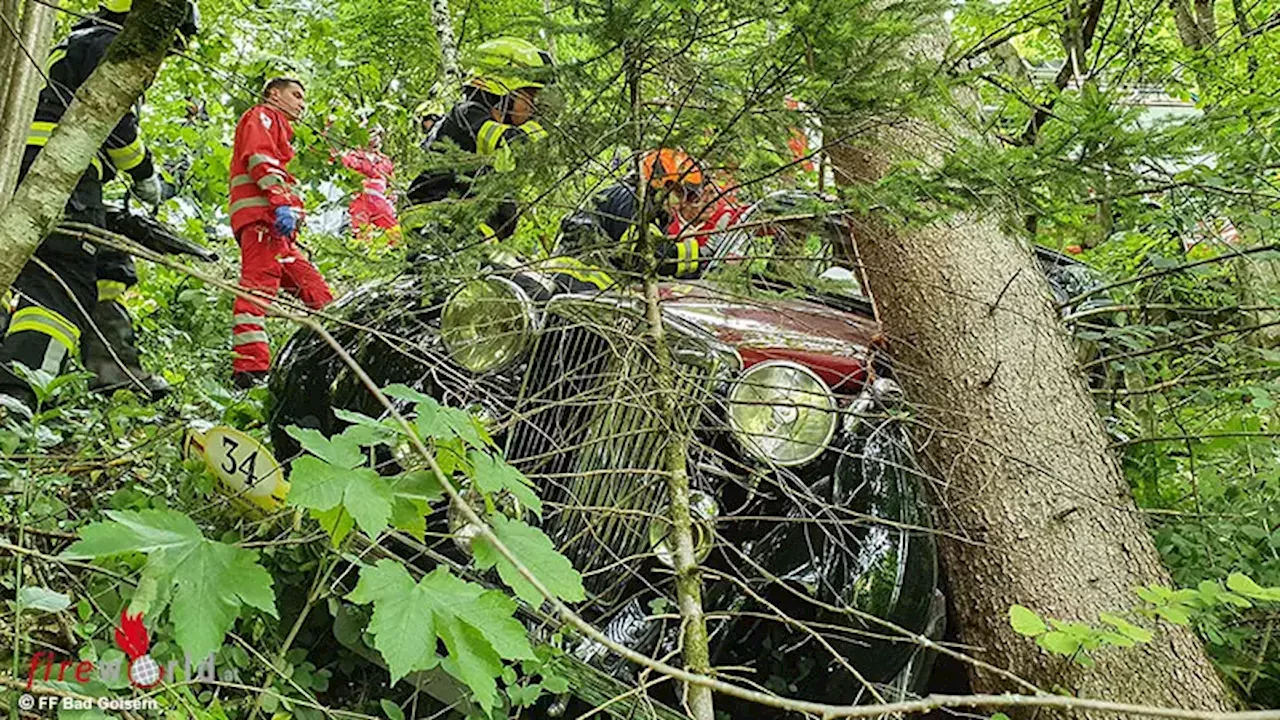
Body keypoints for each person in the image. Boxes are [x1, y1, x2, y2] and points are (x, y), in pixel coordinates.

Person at [0, 0, 198, 412]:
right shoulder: (110, 47)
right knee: (60, 281)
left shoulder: (76, 43)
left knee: (104, 259)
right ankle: (15, 395)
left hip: (27, 165)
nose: (166, 57)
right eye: (171, 45)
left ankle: (114, 372)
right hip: (59, 172)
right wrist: (145, 176)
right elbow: (114, 125)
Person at [227, 77, 334, 389]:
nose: (301, 104)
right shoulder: (262, 115)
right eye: (296, 95)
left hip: (278, 232)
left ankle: (335, 354)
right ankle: (249, 370)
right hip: (263, 222)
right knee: (257, 289)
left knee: (316, 290)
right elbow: (259, 158)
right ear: (274, 94)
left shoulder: (281, 130)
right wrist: (280, 202)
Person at [402, 37, 554, 244]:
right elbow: (512, 144)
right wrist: (545, 129)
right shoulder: (466, 114)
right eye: (529, 96)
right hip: (436, 223)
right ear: (503, 92)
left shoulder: (481, 125)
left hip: (470, 234)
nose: (534, 107)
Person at [557, 148, 708, 282]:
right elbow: (644, 255)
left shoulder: (652, 214)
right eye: (682, 193)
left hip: (587, 288)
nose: (683, 203)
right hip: (575, 283)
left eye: (691, 198)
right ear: (661, 182)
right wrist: (698, 255)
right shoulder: (631, 198)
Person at [338, 127, 401, 245]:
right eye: (372, 133)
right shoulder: (352, 156)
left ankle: (396, 253)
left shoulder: (384, 160)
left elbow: (391, 183)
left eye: (377, 134)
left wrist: (392, 195)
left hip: (380, 201)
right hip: (360, 200)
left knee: (394, 231)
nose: (375, 138)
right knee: (362, 236)